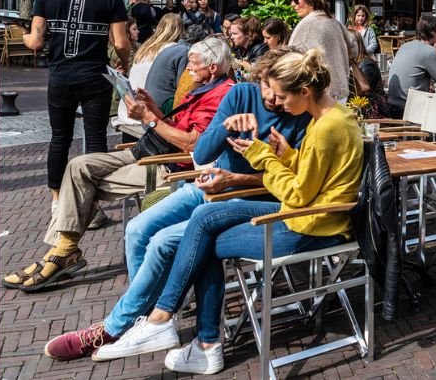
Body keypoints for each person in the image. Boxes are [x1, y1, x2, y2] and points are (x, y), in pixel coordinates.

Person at [91, 50, 362, 374]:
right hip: (309, 215)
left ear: (304, 92)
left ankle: (190, 336)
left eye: (282, 96)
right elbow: (310, 178)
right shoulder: (336, 117)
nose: (279, 103)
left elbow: (300, 194)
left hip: (311, 226)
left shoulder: (323, 128)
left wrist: (264, 156)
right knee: (203, 221)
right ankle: (168, 325)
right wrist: (286, 154)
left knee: (202, 242)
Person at [43, 48, 311, 361]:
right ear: (262, 78)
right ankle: (141, 319)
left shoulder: (299, 113)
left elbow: (293, 184)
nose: (274, 100)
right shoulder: (241, 94)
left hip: (242, 197)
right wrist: (225, 128)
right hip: (205, 186)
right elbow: (200, 154)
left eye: (281, 94)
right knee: (136, 228)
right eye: (269, 88)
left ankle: (119, 326)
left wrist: (235, 178)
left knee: (165, 241)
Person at [3, 37, 235, 292]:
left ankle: (61, 253)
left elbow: (193, 144)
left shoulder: (221, 94)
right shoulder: (203, 88)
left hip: (168, 164)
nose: (188, 69)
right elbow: (179, 127)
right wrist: (154, 110)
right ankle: (63, 251)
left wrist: (150, 118)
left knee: (83, 183)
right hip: (148, 149)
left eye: (193, 65)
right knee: (79, 165)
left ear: (212, 67)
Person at [24, 0, 130, 208]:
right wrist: (124, 63)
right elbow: (120, 42)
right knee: (96, 137)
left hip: (61, 76)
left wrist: (26, 37)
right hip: (96, 77)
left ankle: (57, 200)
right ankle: (91, 200)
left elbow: (36, 43)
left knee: (60, 137)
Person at [112, 14, 184, 137]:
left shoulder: (146, 47)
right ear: (181, 30)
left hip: (127, 109)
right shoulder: (175, 50)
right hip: (144, 113)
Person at [287, 0, 354, 101]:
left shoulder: (307, 24)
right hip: (341, 94)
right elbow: (353, 51)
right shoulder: (335, 23)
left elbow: (290, 63)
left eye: (296, 0)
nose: (292, 5)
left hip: (319, 98)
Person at [387, 14, 436, 117]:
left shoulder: (405, 46)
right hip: (409, 108)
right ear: (433, 32)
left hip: (391, 104)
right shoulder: (430, 52)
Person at [144, 24, 209, 113]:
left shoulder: (174, 47)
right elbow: (184, 86)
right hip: (161, 107)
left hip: (152, 103)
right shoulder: (186, 52)